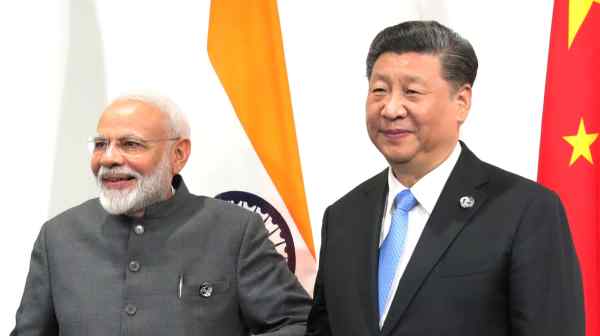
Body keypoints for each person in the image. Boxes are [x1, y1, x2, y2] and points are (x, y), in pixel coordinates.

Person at [306, 21, 584, 336]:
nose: (391, 108)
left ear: (461, 101)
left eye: (411, 92)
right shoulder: (343, 216)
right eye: (379, 90)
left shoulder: (526, 210)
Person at [11, 93, 311, 336]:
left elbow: (296, 324)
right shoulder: (58, 236)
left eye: (131, 144)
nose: (110, 158)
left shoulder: (235, 230)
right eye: (101, 144)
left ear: (178, 154)